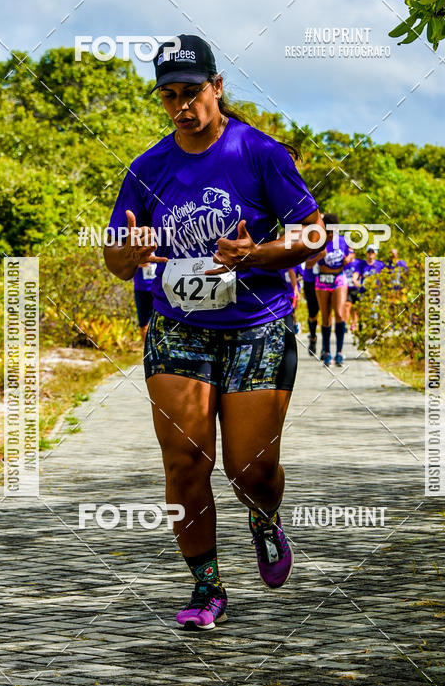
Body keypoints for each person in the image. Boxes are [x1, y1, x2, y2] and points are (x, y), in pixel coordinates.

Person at [104, 34, 324, 630]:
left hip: (258, 325)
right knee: (184, 463)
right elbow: (116, 258)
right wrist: (130, 251)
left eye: (192, 92)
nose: (182, 106)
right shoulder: (147, 169)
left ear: (217, 88)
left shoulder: (260, 152)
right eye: (169, 95)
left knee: (248, 469)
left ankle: (262, 517)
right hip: (179, 329)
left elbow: (314, 235)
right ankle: (206, 587)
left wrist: (257, 254)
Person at [306, 213, 349, 367]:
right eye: (328, 232)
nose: (331, 235)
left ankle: (339, 352)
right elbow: (308, 265)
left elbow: (351, 255)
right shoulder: (317, 243)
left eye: (333, 232)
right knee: (325, 317)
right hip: (322, 280)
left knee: (339, 313)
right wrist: (318, 257)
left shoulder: (343, 241)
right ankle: (326, 352)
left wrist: (348, 259)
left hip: (338, 279)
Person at [300, 257, 320, 356]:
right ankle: (313, 338)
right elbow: (307, 264)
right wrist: (320, 255)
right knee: (312, 313)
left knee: (326, 313)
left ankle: (326, 349)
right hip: (310, 281)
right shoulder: (310, 243)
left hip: (324, 279)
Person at [133, 264, 155, 342]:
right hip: (141, 289)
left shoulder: (160, 251)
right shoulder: (134, 251)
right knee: (143, 323)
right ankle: (146, 349)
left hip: (158, 288)